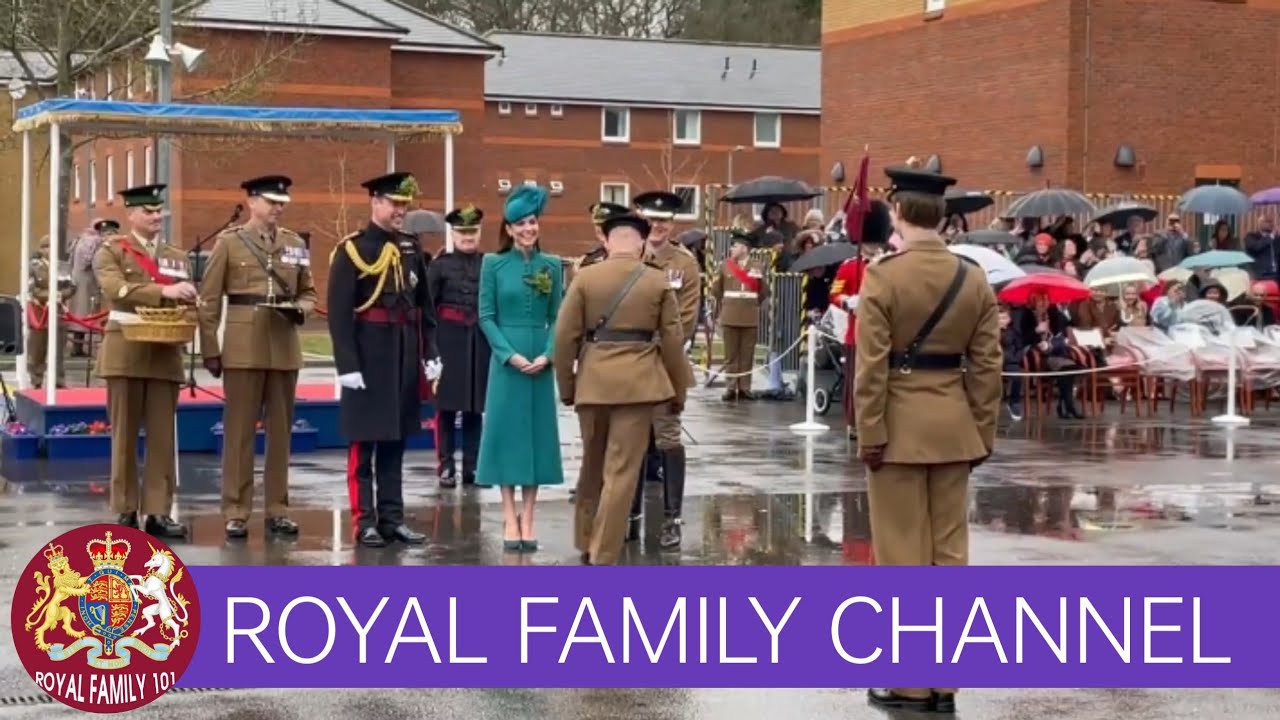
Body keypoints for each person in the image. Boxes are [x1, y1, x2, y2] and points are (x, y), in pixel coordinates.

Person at [852, 166, 1002, 714]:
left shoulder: (884, 275)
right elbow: (988, 366)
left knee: (900, 559)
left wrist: (869, 432)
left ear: (897, 214)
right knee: (949, 558)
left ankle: (911, 683)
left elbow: (870, 368)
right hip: (954, 425)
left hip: (897, 425)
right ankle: (946, 681)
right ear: (943, 217)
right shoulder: (972, 276)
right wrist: (980, 431)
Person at [553, 211, 687, 565]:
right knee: (621, 473)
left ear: (607, 240)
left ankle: (585, 538)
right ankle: (604, 552)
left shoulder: (585, 278)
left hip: (593, 384)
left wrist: (567, 387)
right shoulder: (656, 282)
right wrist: (678, 392)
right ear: (641, 241)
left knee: (591, 465)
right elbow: (673, 342)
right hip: (638, 387)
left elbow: (564, 338)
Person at [198, 175, 317, 540]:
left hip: (282, 346)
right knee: (239, 434)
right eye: (270, 200)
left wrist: (300, 309)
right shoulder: (230, 243)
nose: (278, 207)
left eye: (282, 201)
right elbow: (209, 298)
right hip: (243, 346)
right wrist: (210, 349)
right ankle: (236, 509)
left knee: (281, 434)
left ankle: (278, 508)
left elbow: (308, 291)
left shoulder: (294, 243)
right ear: (252, 202)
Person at [327, 171, 433, 548]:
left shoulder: (410, 247)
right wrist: (347, 364)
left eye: (404, 204)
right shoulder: (352, 249)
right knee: (365, 443)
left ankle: (393, 517)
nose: (400, 211)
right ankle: (364, 521)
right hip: (368, 355)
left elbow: (424, 309)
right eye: (394, 203)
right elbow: (339, 314)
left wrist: (430, 353)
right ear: (375, 202)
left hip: (402, 354)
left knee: (396, 440)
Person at [93, 184, 196, 538]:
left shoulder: (176, 256)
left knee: (162, 437)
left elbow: (183, 296)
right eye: (149, 211)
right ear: (131, 214)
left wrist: (187, 301)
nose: (156, 217)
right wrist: (163, 291)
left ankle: (157, 511)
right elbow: (115, 290)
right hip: (126, 350)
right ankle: (125, 508)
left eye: (159, 211)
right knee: (124, 437)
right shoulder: (112, 251)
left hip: (164, 352)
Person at [475, 184, 564, 551]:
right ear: (508, 229)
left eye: (532, 222)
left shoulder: (554, 265)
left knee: (536, 439)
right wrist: (508, 354)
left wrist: (549, 353)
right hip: (507, 362)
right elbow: (485, 316)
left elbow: (559, 316)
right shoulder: (492, 265)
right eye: (520, 224)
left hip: (540, 361)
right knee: (507, 436)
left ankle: (530, 515)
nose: (528, 229)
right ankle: (509, 515)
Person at [627, 190, 699, 549]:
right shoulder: (626, 258)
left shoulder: (684, 265)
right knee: (630, 440)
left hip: (664, 365)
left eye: (664, 221)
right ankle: (630, 515)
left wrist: (650, 349)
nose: (657, 226)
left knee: (668, 438)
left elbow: (684, 322)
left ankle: (671, 519)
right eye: (651, 220)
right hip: (627, 365)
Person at [426, 204, 491, 488]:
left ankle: (472, 467)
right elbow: (428, 308)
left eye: (473, 231)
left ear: (479, 233)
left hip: (479, 340)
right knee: (447, 407)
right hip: (448, 339)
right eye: (462, 231)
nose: (468, 236)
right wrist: (430, 348)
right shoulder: (439, 266)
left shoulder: (490, 264)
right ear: (453, 233)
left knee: (475, 407)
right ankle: (446, 465)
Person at [828, 200, 894, 438]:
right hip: (856, 332)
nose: (871, 247)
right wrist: (848, 301)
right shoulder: (848, 266)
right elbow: (834, 294)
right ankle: (854, 422)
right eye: (868, 243)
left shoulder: (890, 264)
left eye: (874, 243)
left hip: (885, 332)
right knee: (855, 381)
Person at [709, 229, 769, 401]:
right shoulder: (725, 266)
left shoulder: (757, 266)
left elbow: (764, 291)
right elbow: (716, 290)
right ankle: (730, 387)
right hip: (730, 314)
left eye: (734, 246)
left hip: (750, 314)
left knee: (747, 354)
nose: (732, 250)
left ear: (744, 248)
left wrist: (754, 299)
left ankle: (745, 387)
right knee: (731, 354)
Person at [26, 235, 75, 389]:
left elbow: (72, 286)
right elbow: (32, 288)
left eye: (51, 246)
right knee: (37, 349)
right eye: (45, 247)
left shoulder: (62, 266)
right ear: (41, 249)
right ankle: (36, 380)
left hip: (59, 312)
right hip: (39, 313)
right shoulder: (33, 266)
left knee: (58, 351)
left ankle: (58, 381)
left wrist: (60, 296)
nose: (48, 250)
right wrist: (50, 296)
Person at [573, 202, 630, 280]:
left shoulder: (636, 256)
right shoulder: (587, 260)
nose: (599, 229)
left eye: (606, 225)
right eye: (597, 224)